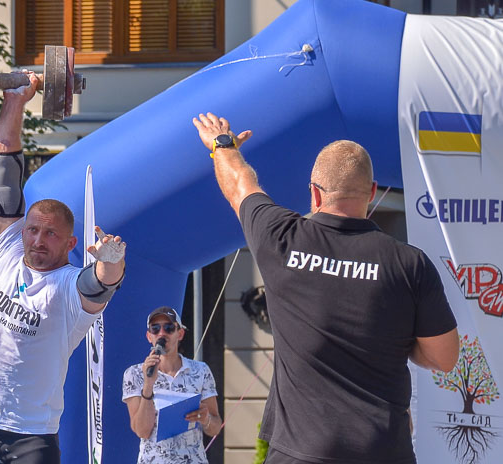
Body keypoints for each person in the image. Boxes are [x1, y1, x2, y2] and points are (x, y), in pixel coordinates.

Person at [192, 113, 459, 464]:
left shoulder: (281, 238)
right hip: (382, 452)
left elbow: (239, 185)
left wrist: (222, 146)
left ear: (315, 194)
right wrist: (396, 338)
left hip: (299, 454)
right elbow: (444, 357)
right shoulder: (409, 264)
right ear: (372, 192)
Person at [0, 72, 126, 464]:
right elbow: (3, 181)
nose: (38, 241)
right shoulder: (7, 251)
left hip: (30, 438)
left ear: (71, 244)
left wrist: (111, 262)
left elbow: (99, 286)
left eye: (51, 235)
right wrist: (14, 101)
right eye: (33, 231)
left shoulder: (66, 287)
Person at [122, 306, 221, 464]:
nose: (162, 333)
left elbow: (215, 427)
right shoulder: (134, 374)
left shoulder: (201, 370)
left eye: (168, 328)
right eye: (155, 329)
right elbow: (142, 431)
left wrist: (206, 418)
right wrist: (148, 385)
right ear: (149, 336)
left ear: (179, 333)